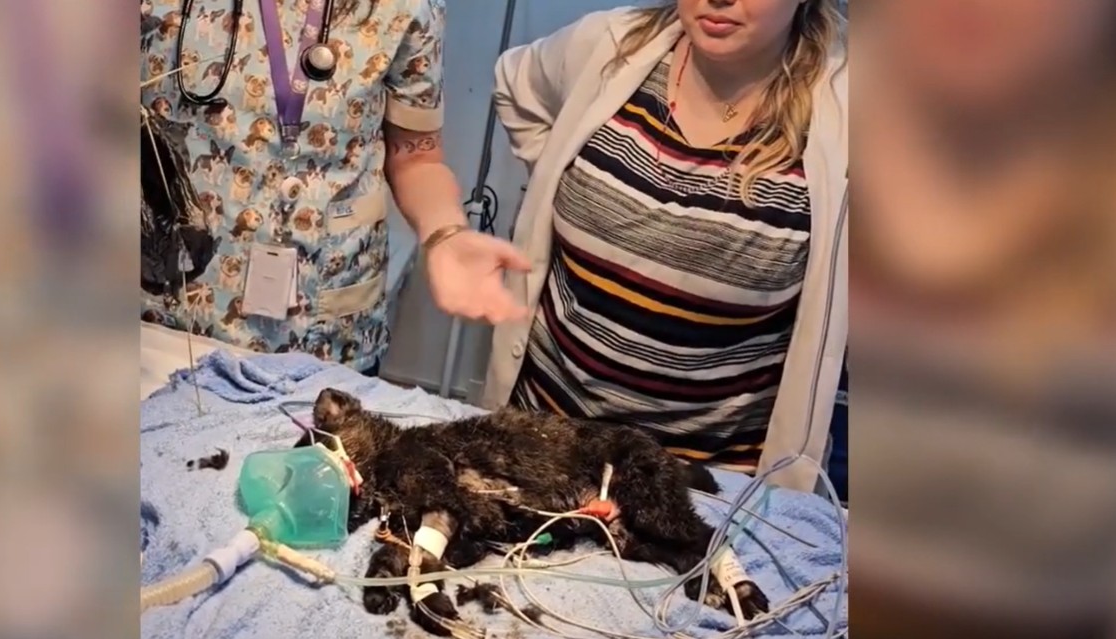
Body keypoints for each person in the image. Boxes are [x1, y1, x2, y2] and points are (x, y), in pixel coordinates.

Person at [482, 0, 847, 493]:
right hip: (542, 446)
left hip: (703, 488)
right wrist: (564, 182)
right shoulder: (608, 44)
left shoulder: (856, 108)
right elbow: (516, 85)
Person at [139, 0, 528, 376]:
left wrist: (446, 233)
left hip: (330, 334)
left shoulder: (407, 7)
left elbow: (416, 157)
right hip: (172, 322)